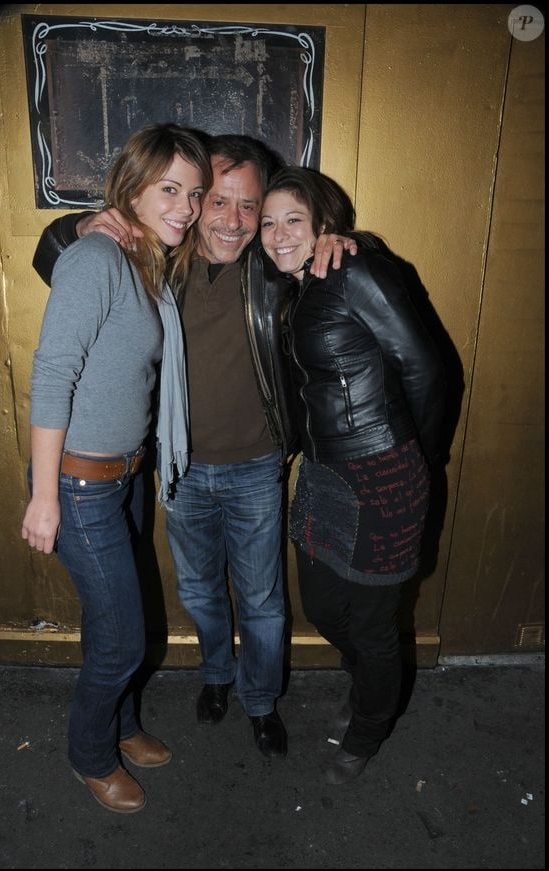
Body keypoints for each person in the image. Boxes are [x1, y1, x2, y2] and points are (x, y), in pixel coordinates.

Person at [31, 133, 357, 760]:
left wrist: (350, 241)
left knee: (261, 602)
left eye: (249, 207)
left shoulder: (273, 273)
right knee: (202, 593)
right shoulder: (159, 261)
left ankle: (260, 702)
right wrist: (79, 225)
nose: (233, 220)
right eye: (218, 201)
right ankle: (216, 676)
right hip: (178, 470)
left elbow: (331, 255)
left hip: (258, 467)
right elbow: (57, 261)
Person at [21, 123, 212, 813]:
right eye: (170, 189)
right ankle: (89, 753)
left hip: (124, 476)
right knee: (124, 636)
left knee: (118, 625)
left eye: (194, 193)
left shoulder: (144, 260)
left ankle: (124, 725)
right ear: (130, 185)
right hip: (77, 483)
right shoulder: (98, 257)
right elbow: (52, 376)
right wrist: (45, 497)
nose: (185, 207)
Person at [259, 167, 446, 784]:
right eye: (268, 222)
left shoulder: (351, 268)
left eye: (294, 219)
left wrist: (419, 457)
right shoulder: (295, 287)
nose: (278, 233)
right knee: (322, 607)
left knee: (372, 626)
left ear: (324, 226)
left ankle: (367, 732)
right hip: (320, 474)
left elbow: (428, 369)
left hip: (381, 475)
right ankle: (370, 680)